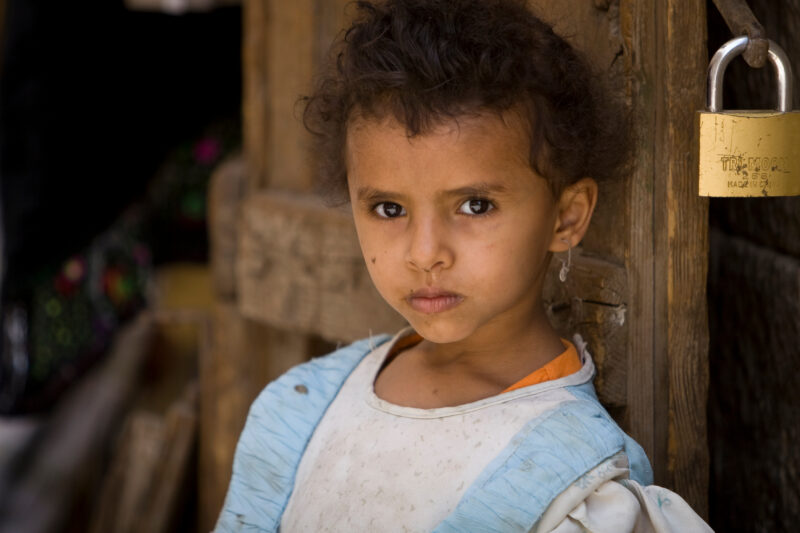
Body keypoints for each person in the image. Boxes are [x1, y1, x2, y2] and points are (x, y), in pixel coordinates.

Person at [215, 0, 713, 531]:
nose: (425, 253)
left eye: (475, 205)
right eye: (390, 209)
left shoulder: (572, 488)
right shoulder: (300, 412)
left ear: (566, 218)